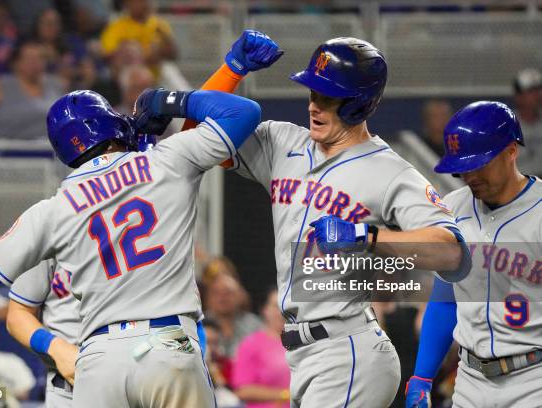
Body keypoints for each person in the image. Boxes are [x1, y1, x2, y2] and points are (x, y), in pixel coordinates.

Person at [188, 31, 471, 407]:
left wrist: (368, 237)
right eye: (312, 93)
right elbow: (194, 141)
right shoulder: (281, 142)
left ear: (357, 105)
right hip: (302, 353)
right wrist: (232, 70)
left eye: (327, 98)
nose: (313, 106)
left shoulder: (390, 172)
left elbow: (453, 252)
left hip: (348, 349)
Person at [0, 82, 262, 407]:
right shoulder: (165, 161)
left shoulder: (54, 208)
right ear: (112, 123)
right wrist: (165, 100)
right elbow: (243, 112)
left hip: (100, 358)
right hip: (169, 341)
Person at [405, 101, 542, 408]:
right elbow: (444, 299)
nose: (470, 176)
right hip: (469, 380)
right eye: (462, 168)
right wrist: (422, 376)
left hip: (534, 380)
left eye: (479, 164)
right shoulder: (453, 208)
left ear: (511, 151)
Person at [6, 260, 79, 407]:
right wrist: (55, 347)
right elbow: (16, 318)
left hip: (131, 371)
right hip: (69, 383)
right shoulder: (49, 241)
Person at [0, 39, 65, 139]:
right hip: (6, 151)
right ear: (16, 63)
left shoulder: (56, 85)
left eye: (40, 58)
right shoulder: (3, 86)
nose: (35, 63)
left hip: (46, 150)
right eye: (29, 59)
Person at [232, 288, 290, 408]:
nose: (281, 311)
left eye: (285, 306)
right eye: (275, 306)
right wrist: (286, 394)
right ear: (264, 310)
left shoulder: (303, 341)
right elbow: (242, 390)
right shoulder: (251, 344)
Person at [100, 0, 176, 80]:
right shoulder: (116, 26)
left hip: (157, 76)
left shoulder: (159, 24)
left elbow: (172, 55)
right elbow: (107, 54)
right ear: (126, 4)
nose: (140, 4)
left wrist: (163, 39)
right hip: (128, 78)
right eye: (134, 2)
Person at [203, 266, 262, 357]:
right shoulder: (198, 325)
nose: (222, 298)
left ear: (240, 296)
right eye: (216, 293)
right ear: (208, 298)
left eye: (228, 293)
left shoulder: (255, 325)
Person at [513, 68, 542, 177]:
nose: (537, 95)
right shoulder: (506, 125)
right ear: (518, 97)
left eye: (538, 90)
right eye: (531, 91)